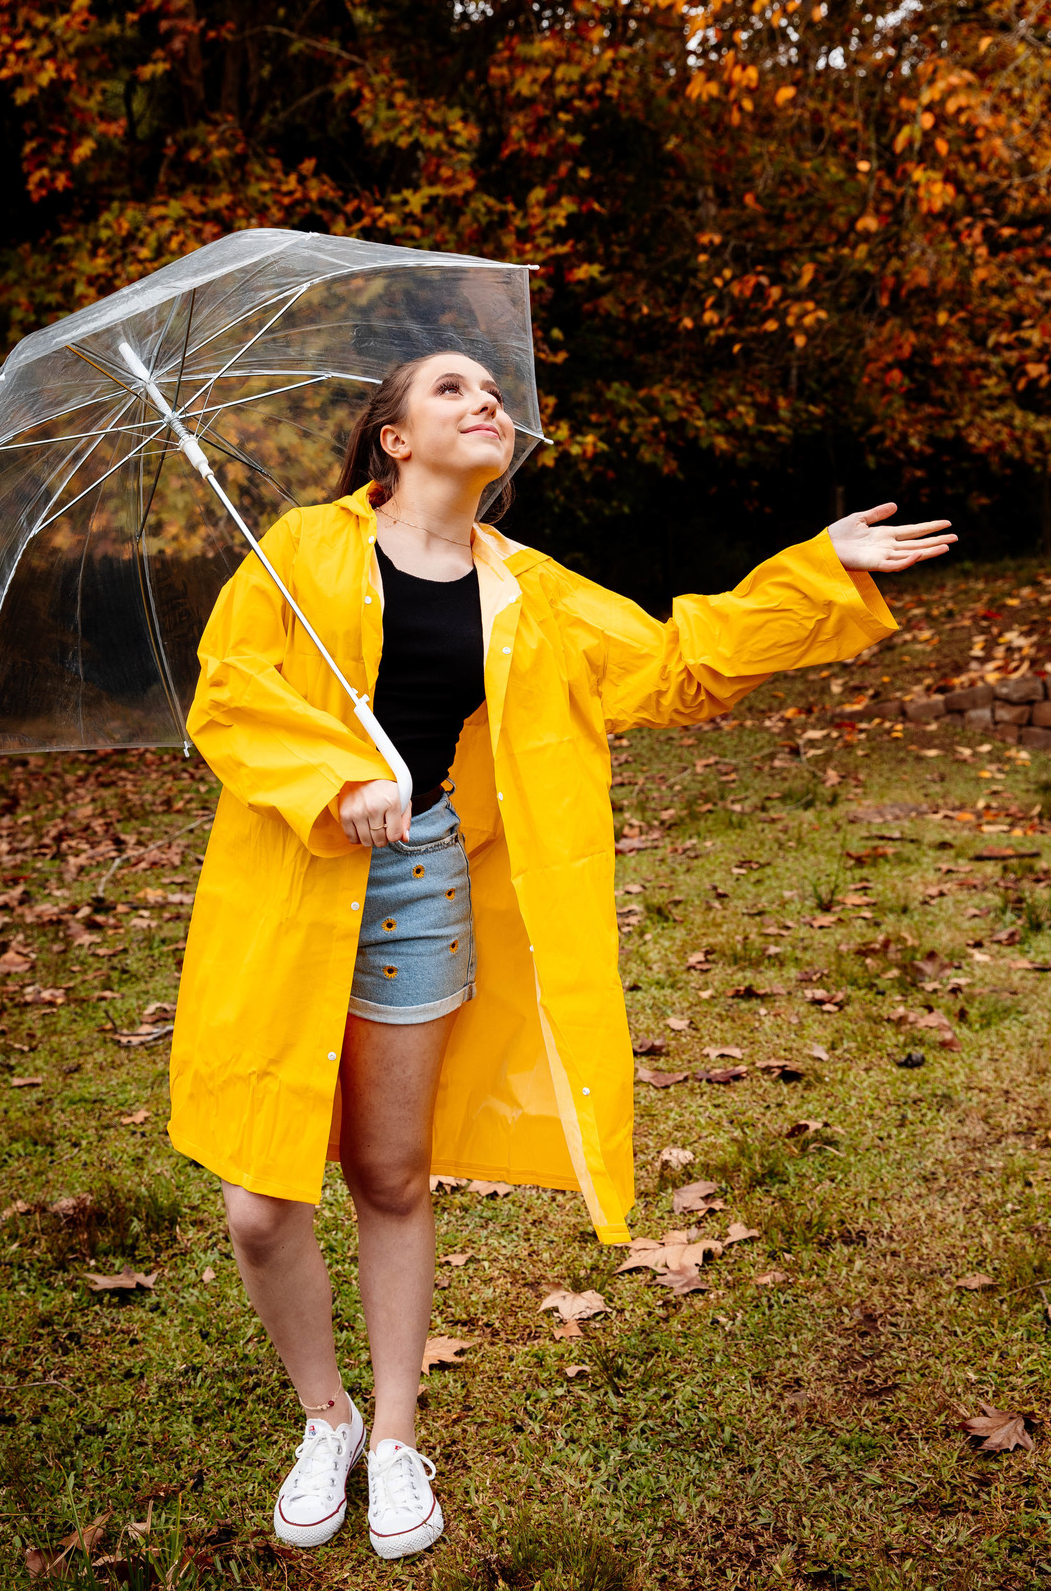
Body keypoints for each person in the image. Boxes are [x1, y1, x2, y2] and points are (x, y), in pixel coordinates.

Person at [168, 352, 955, 1558]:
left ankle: (389, 1434)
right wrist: (333, 782)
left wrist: (817, 573)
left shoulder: (524, 589)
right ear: (393, 438)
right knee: (259, 1206)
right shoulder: (300, 551)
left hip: (424, 888)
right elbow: (228, 695)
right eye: (451, 389)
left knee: (390, 1177)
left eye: (492, 391)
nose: (487, 402)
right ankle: (317, 1417)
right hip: (291, 887)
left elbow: (672, 666)